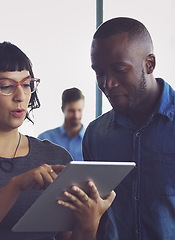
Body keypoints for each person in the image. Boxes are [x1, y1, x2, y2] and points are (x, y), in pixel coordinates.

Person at [0, 40, 115, 240]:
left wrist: (89, 223)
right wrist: (17, 185)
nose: (20, 96)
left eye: (26, 84)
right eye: (6, 86)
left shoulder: (56, 156)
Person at [83, 17, 175, 239]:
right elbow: (99, 218)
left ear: (149, 64)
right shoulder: (96, 135)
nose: (107, 83)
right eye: (99, 72)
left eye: (120, 69)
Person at [38, 87, 85, 161]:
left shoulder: (92, 140)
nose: (76, 115)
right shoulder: (45, 139)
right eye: (71, 111)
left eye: (79, 110)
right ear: (63, 109)